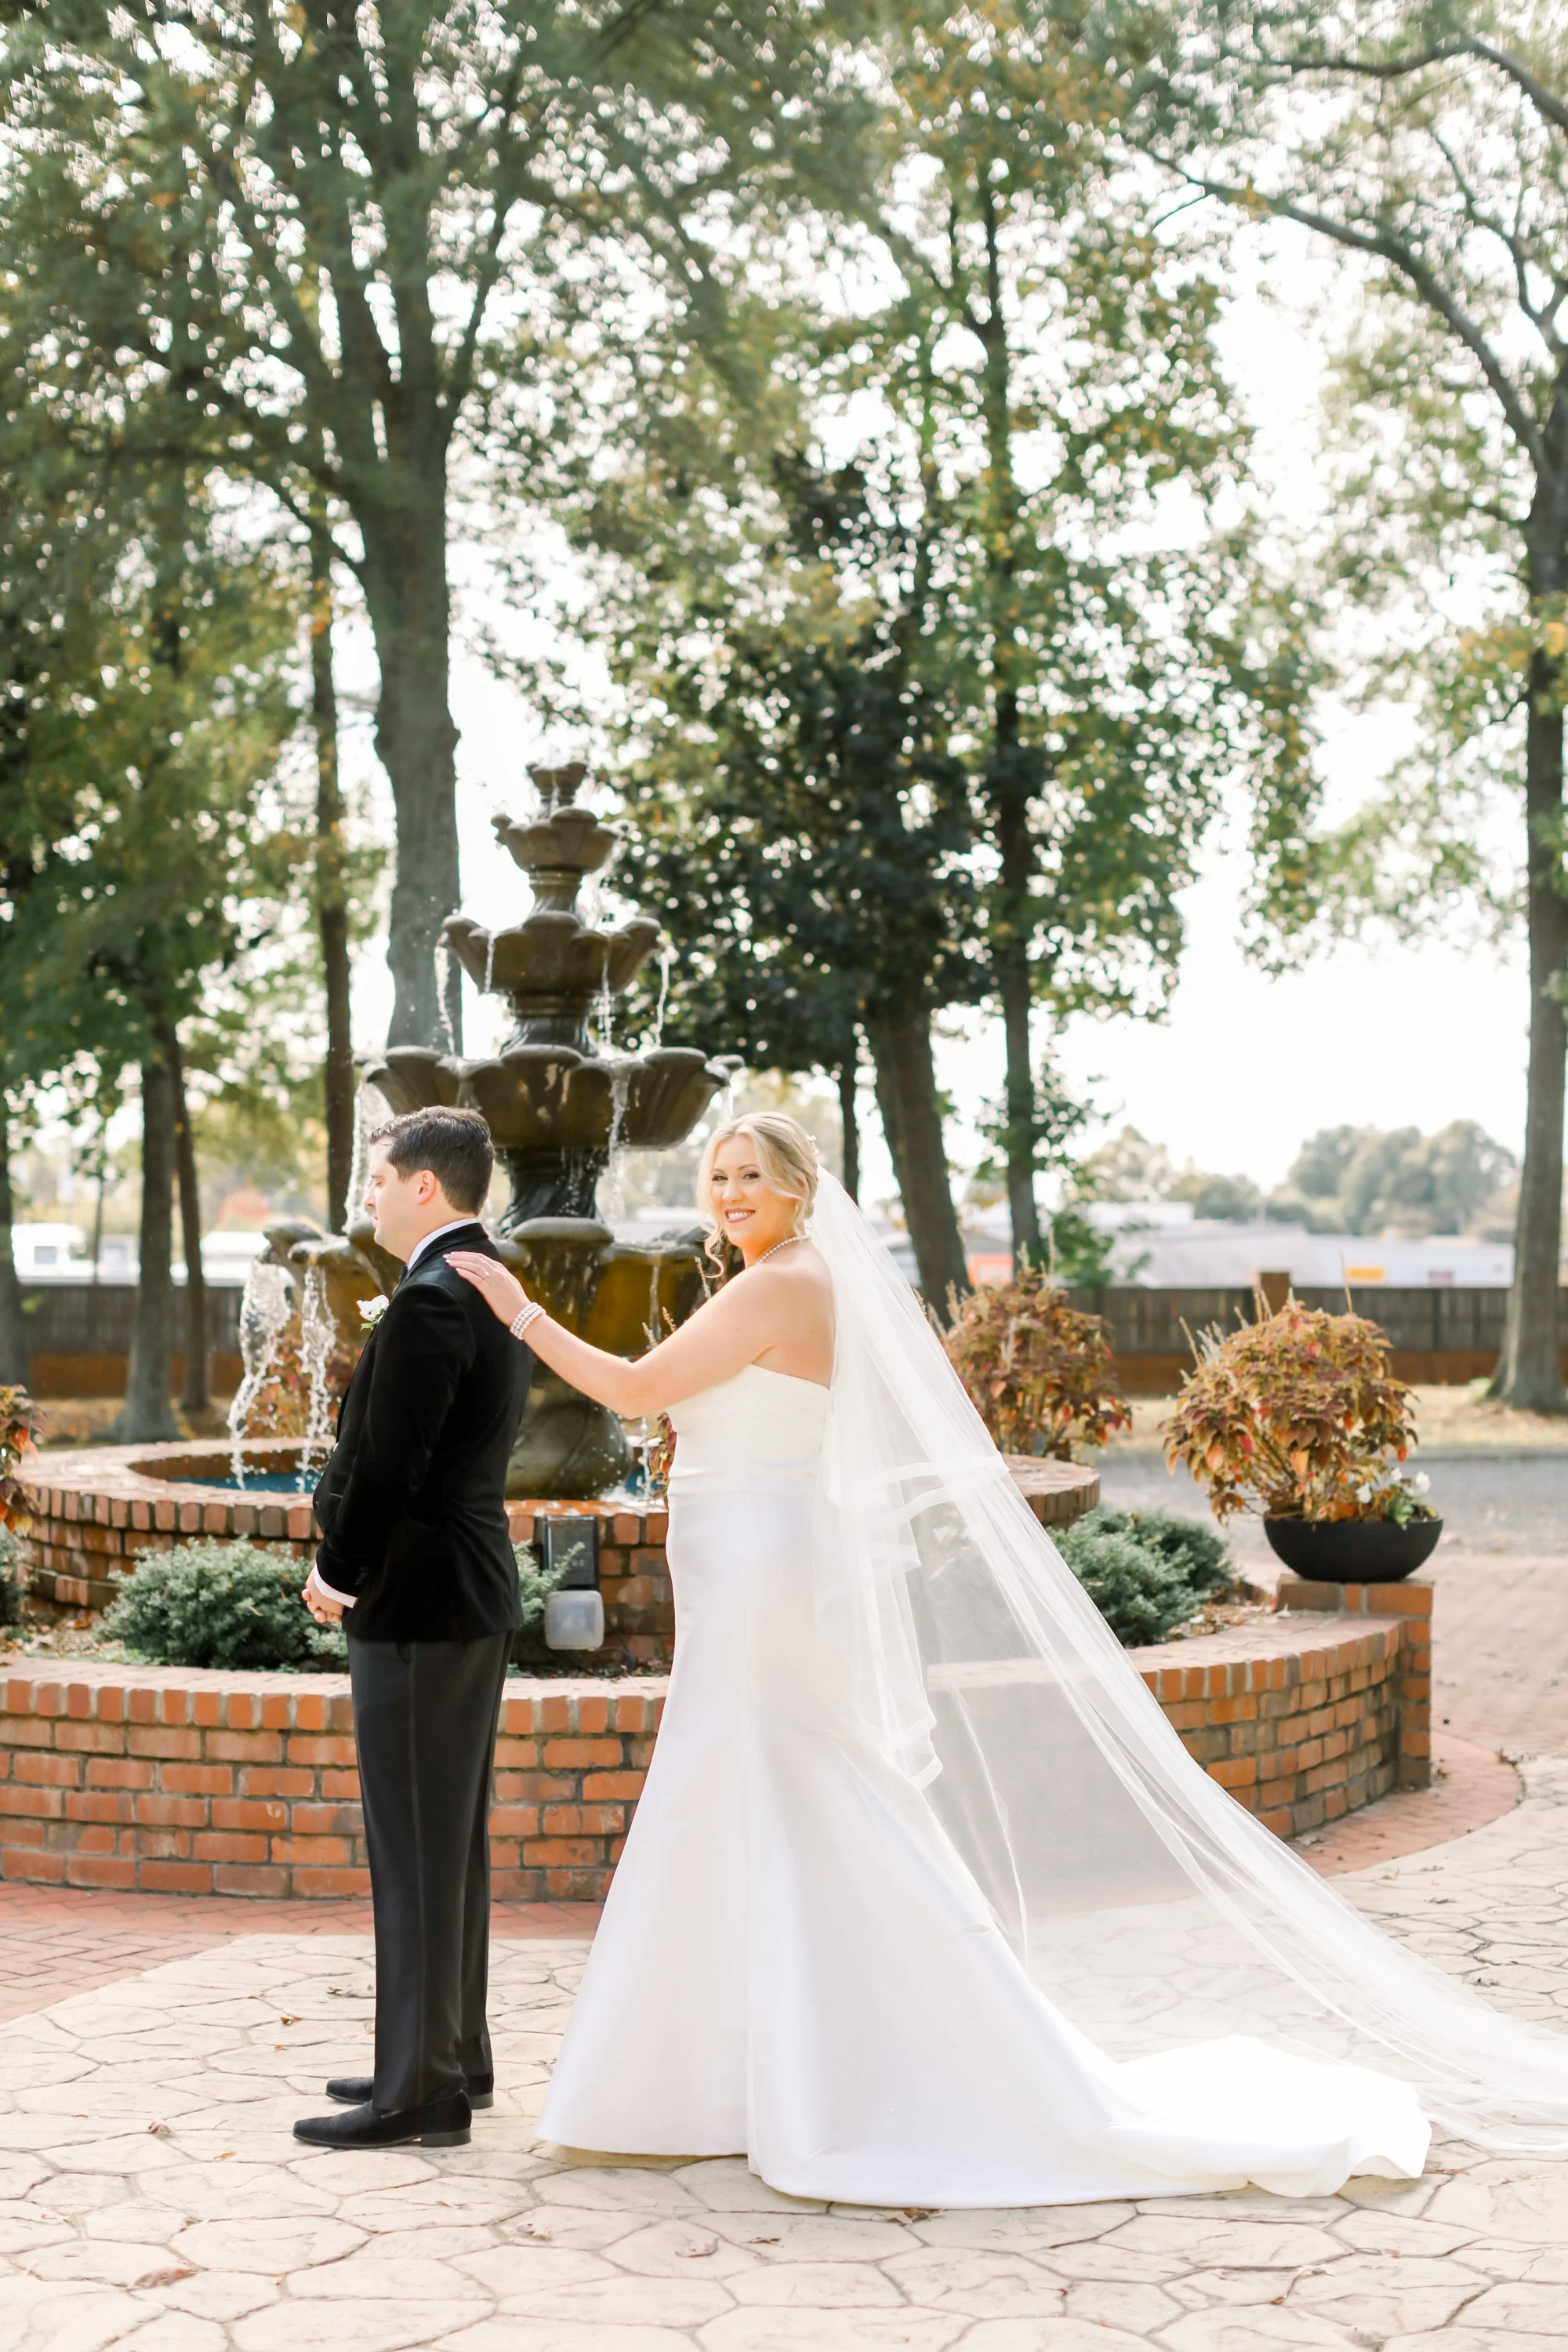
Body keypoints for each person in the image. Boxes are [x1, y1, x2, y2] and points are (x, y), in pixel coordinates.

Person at [449, 1112, 1568, 2205]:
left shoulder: (786, 1282)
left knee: (774, 1778)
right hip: (745, 1556)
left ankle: (799, 2074)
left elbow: (638, 1390)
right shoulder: (781, 1280)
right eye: (719, 1176)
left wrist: (518, 1310)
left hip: (757, 1566)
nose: (731, 1193)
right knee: (763, 1784)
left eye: (753, 1175)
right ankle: (740, 2082)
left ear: (800, 1189)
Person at [293, 1105, 532, 2154]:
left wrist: (336, 1571)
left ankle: (418, 2092)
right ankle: (448, 2055)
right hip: (459, 1597)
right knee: (449, 1844)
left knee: (415, 1847)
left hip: (421, 1601)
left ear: (425, 1186)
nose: (369, 1198)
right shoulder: (480, 1280)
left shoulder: (436, 1298)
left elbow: (391, 1466)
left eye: (379, 1180)